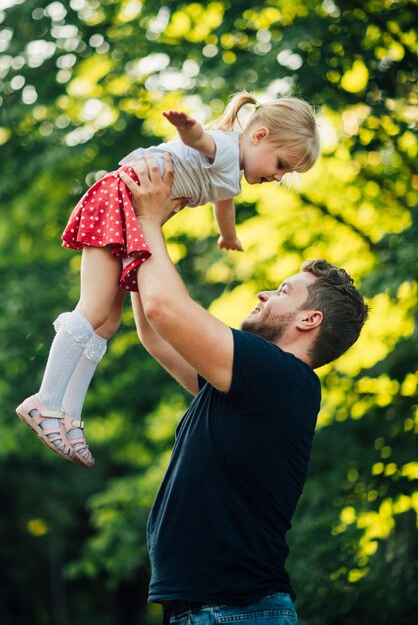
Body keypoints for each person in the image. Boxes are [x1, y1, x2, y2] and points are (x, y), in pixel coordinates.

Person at [122, 156, 369, 625]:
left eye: (282, 290)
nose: (263, 294)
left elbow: (165, 310)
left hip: (233, 611)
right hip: (219, 610)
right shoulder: (248, 384)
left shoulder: (281, 379)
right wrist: (138, 237)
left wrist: (148, 221)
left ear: (309, 320)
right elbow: (156, 334)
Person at [16, 92, 320, 468]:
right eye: (281, 164)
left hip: (131, 207)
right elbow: (200, 139)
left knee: (108, 323)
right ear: (257, 136)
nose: (278, 176)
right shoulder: (224, 149)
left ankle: (68, 415)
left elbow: (224, 203)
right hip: (121, 198)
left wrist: (228, 235)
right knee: (93, 309)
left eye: (286, 173)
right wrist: (186, 126)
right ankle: (45, 400)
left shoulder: (230, 174)